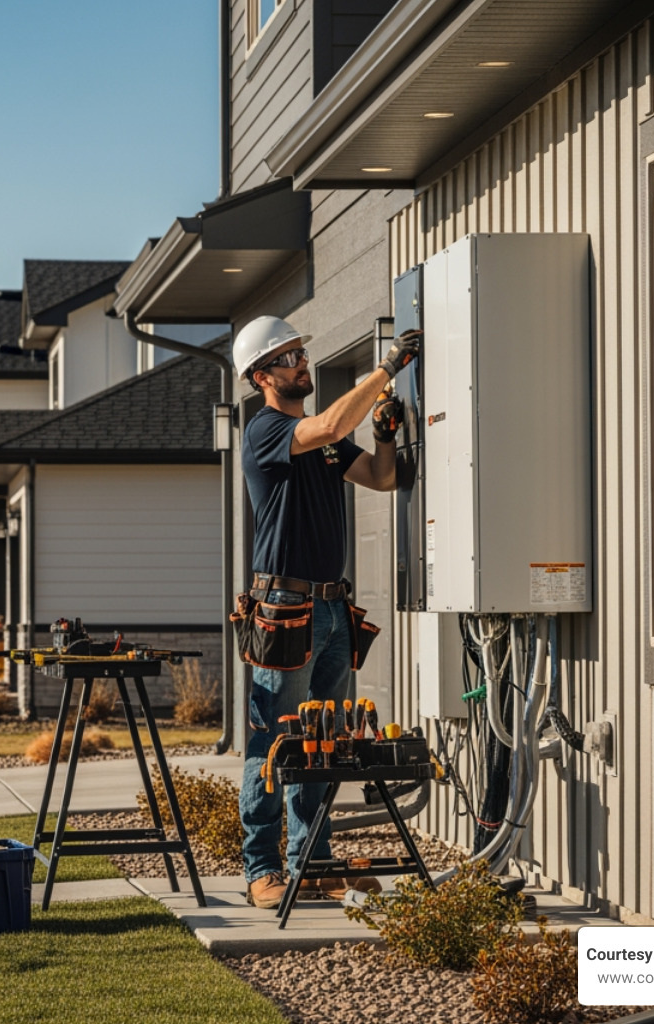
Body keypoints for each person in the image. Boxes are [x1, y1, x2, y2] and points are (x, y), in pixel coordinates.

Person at [233, 314, 422, 909]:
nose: (301, 364)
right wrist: (387, 368)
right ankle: (262, 868)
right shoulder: (265, 431)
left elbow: (382, 476)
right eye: (288, 358)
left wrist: (387, 432)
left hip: (333, 607)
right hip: (284, 607)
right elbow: (333, 421)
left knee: (322, 742)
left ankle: (309, 864)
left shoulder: (325, 441)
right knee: (273, 742)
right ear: (262, 376)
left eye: (300, 355)